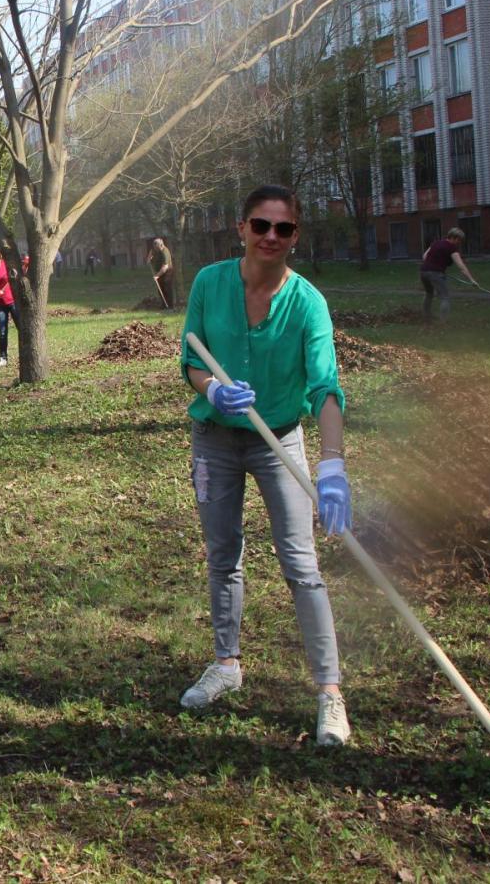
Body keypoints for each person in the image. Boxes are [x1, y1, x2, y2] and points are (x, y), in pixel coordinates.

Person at [178, 184, 352, 747]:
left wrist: (332, 465)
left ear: (296, 236)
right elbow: (191, 360)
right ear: (241, 229)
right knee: (223, 554)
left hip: (279, 440)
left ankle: (329, 693)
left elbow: (325, 385)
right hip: (215, 440)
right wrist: (214, 391)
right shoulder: (209, 284)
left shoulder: (308, 303)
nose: (271, 236)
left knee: (301, 563)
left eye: (284, 228)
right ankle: (226, 664)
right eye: (261, 225)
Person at [419, 228, 476, 322]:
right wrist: (472, 280)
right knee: (445, 297)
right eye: (459, 240)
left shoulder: (436, 243)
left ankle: (426, 316)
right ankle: (443, 323)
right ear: (454, 237)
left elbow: (424, 256)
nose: (459, 242)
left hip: (423, 272)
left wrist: (435, 265)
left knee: (429, 293)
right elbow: (461, 266)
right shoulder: (451, 247)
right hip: (435, 274)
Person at [148, 236, 176, 309]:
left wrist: (157, 275)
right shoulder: (154, 249)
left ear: (161, 245)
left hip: (167, 272)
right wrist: (149, 258)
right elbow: (151, 252)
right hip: (159, 272)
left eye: (157, 248)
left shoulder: (165, 252)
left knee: (167, 289)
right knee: (160, 289)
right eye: (155, 248)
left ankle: (170, 306)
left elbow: (165, 267)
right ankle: (163, 305)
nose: (156, 249)